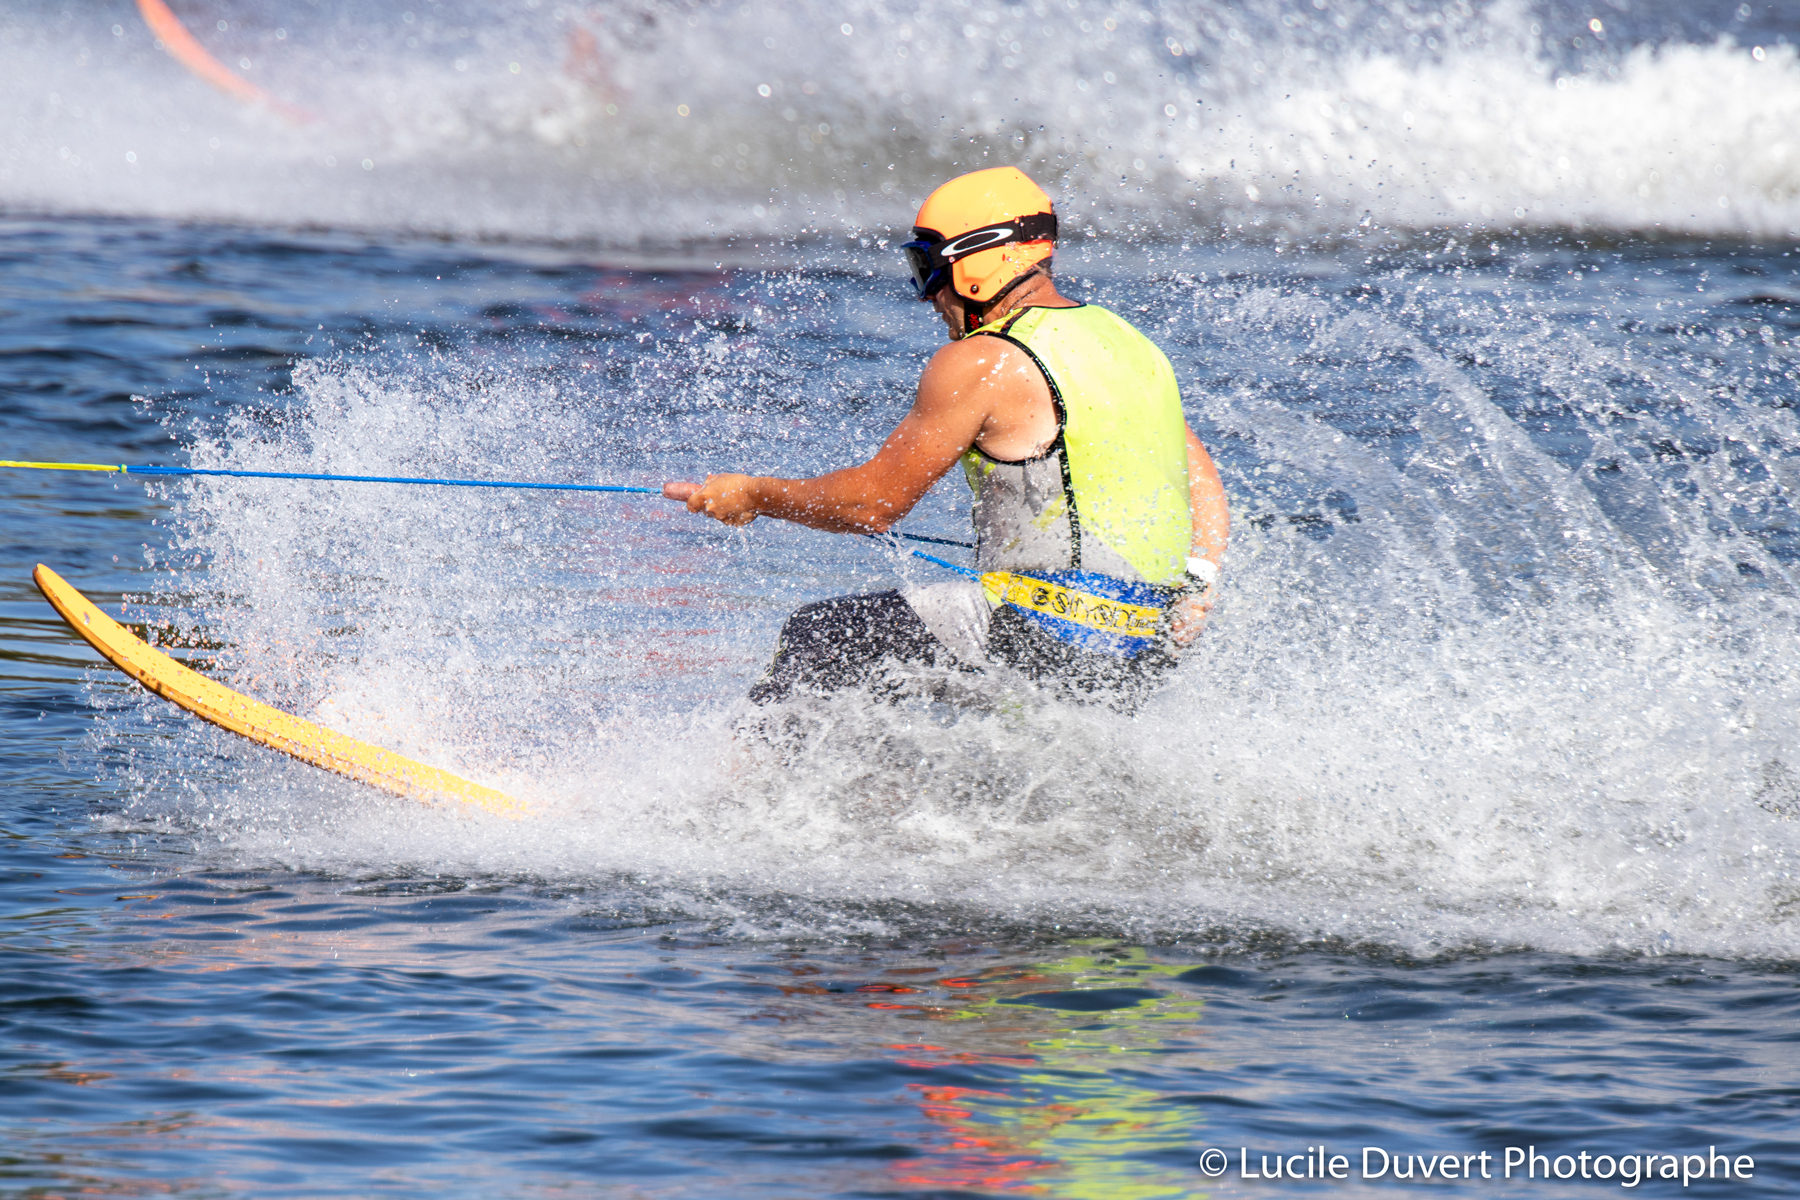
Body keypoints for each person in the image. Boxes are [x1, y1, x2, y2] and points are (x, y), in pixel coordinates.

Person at [664, 166, 1230, 708]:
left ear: (972, 263)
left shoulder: (982, 360)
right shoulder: (1128, 343)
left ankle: (735, 798)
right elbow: (1201, 476)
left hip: (1045, 632)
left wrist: (754, 495)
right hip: (1148, 646)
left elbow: (871, 503)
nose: (928, 296)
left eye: (927, 269)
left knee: (820, 638)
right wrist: (1199, 584)